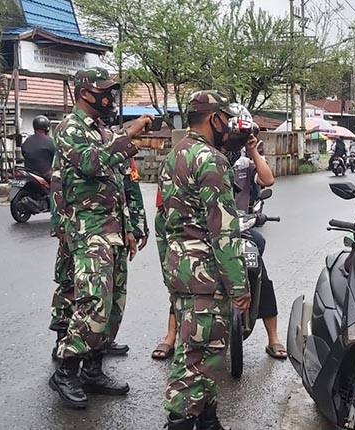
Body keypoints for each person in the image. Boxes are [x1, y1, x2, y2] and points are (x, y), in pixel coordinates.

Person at [48, 67, 152, 409]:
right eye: (103, 90)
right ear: (84, 93)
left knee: (113, 305)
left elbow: (119, 183)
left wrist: (129, 228)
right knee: (93, 301)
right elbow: (94, 164)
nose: (109, 96)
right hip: (88, 230)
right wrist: (131, 133)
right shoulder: (69, 128)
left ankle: (93, 369)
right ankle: (66, 370)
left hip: (112, 231)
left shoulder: (102, 129)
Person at [151, 119, 287, 361]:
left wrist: (253, 150)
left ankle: (273, 338)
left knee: (261, 275)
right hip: (205, 233)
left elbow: (267, 180)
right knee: (189, 286)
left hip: (242, 227)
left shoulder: (245, 163)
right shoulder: (205, 158)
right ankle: (170, 336)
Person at [156, 90, 249, 430]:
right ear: (214, 118)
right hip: (205, 273)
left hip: (181, 267)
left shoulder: (176, 154)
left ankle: (207, 419)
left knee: (203, 345)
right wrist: (239, 285)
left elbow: (162, 220)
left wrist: (168, 266)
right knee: (199, 355)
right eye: (226, 118)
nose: (229, 125)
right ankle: (180, 420)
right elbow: (223, 230)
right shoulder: (211, 160)